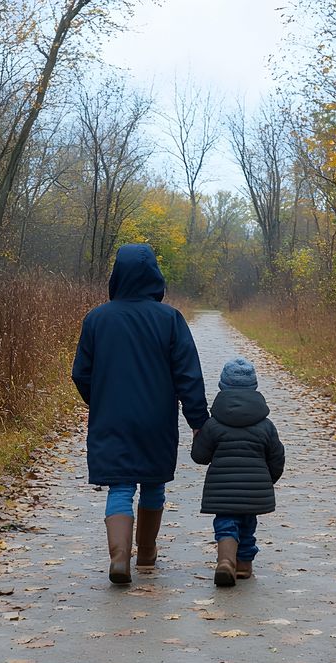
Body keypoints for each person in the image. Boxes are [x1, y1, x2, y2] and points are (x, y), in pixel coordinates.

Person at [72, 243, 209, 585]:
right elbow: (188, 375)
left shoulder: (97, 319)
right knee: (153, 484)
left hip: (112, 417)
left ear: (117, 276)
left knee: (119, 486)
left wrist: (98, 401)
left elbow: (80, 372)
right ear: (155, 278)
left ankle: (120, 559)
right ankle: (146, 553)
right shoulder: (170, 319)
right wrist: (199, 422)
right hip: (156, 418)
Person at [192, 357, 285, 587]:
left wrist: (198, 438)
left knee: (226, 523)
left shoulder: (214, 424)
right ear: (254, 388)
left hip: (222, 491)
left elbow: (200, 456)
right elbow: (277, 458)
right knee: (247, 525)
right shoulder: (266, 425)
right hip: (254, 490)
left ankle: (225, 561)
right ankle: (244, 564)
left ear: (222, 387)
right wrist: (266, 480)